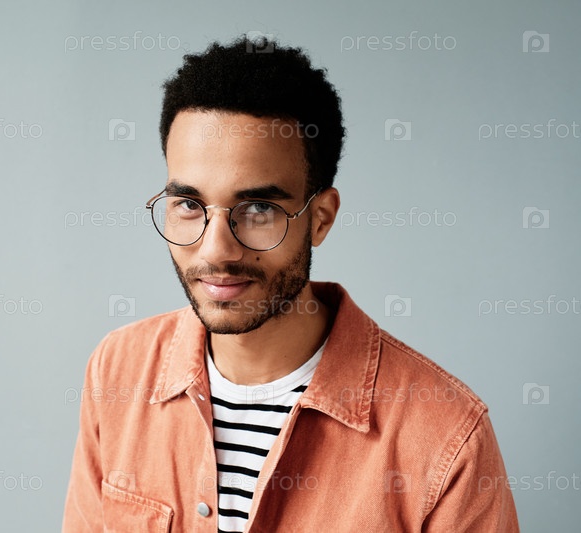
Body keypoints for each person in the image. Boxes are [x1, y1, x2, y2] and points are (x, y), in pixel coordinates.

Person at [63, 35, 519, 532]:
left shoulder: (446, 436)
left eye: (258, 208)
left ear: (320, 218)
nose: (216, 250)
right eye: (190, 205)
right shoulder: (118, 371)